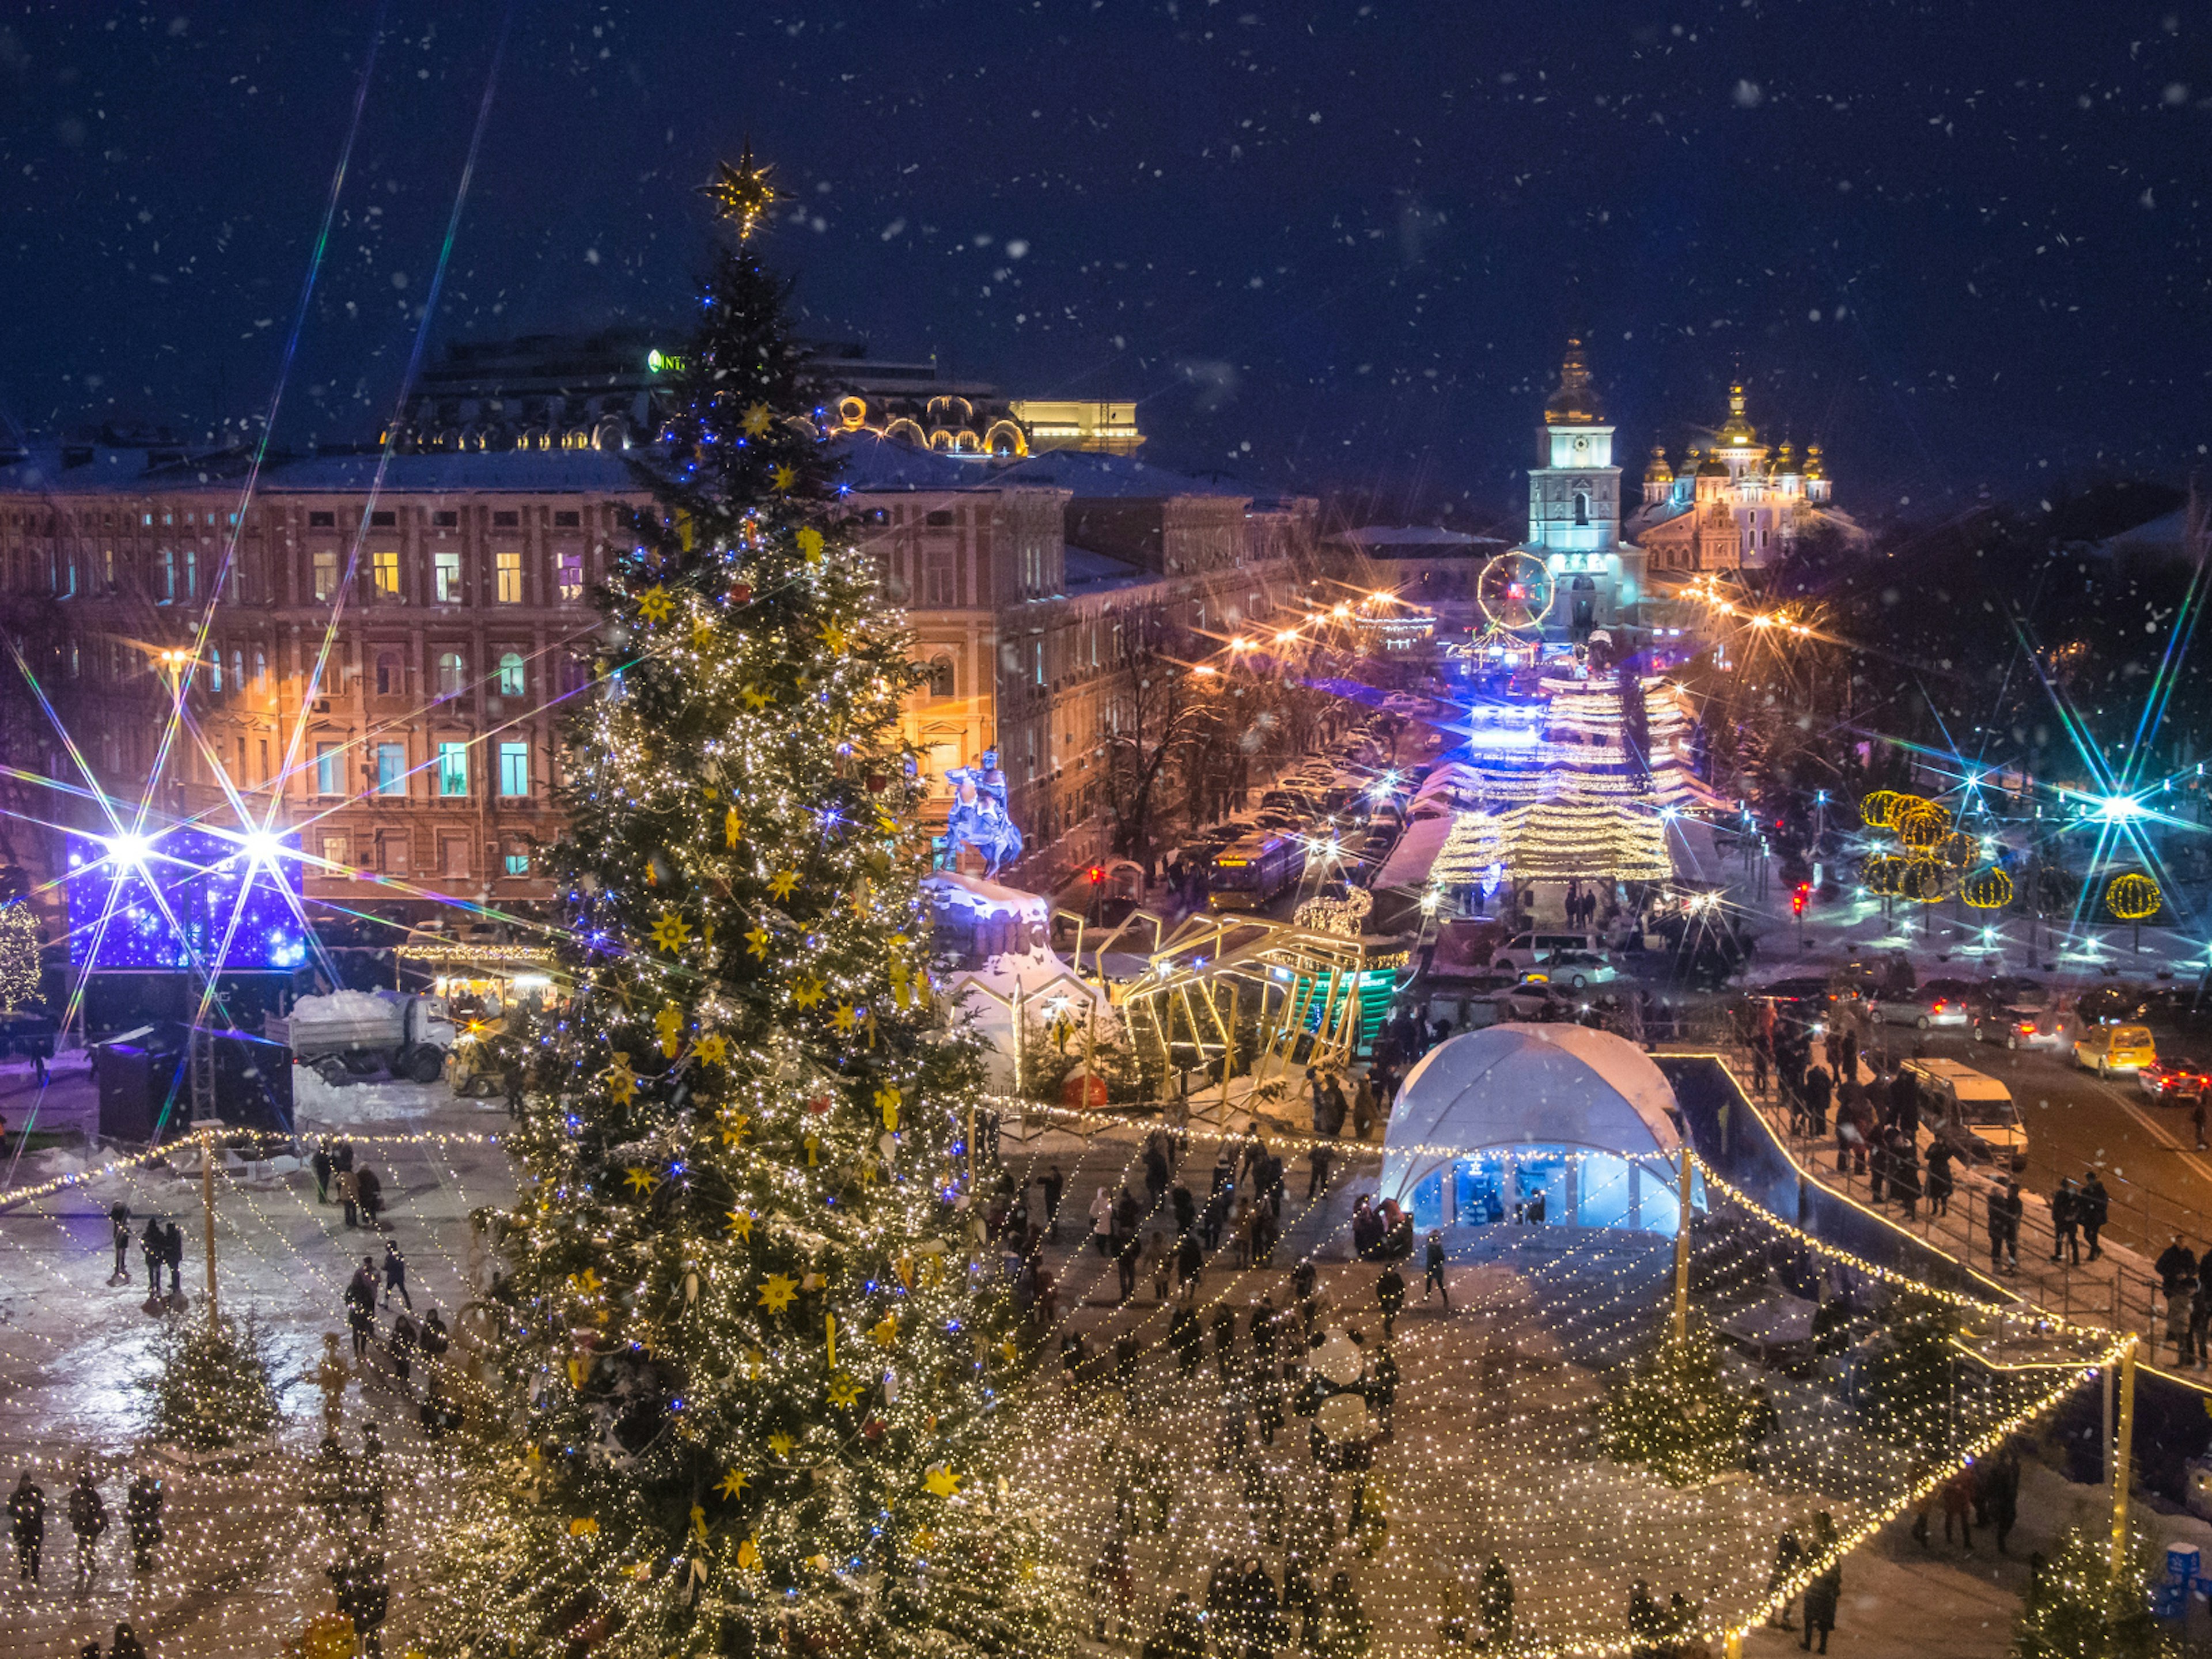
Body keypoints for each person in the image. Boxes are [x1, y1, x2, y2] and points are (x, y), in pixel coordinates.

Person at [1801, 1514, 1840, 1653]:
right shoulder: (1833, 1542)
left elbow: (1807, 1562)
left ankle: (1808, 1642)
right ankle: (1822, 1646)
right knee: (1824, 1616)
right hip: (1828, 1584)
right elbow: (1836, 1564)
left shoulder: (1816, 1543)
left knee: (1810, 1615)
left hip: (1816, 1584)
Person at [1314, 1569, 1372, 1659]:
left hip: (1349, 1629)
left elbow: (1360, 1613)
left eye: (1342, 1585)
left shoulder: (1352, 1598)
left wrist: (1360, 1625)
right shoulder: (1329, 1597)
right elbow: (1322, 1609)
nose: (1339, 1587)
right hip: (1333, 1630)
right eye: (1338, 1584)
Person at [67, 1466, 106, 1586]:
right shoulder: (91, 1494)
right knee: (89, 1545)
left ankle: (83, 1566)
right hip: (89, 1524)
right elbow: (99, 1508)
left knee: (83, 1545)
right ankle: (89, 1565)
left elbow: (72, 1510)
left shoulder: (76, 1494)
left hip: (82, 1524)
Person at [8, 1468, 43, 1582]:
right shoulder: (16, 1496)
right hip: (21, 1529)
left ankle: (35, 1575)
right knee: (23, 1553)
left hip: (34, 1528)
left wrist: (33, 1509)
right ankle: (24, 1572)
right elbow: (11, 1510)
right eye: (24, 1482)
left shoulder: (37, 1493)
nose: (25, 1484)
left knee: (35, 1554)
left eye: (27, 1481)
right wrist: (21, 1510)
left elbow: (42, 1507)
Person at [1766, 1525, 1804, 1629]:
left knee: (1775, 1593)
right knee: (1788, 1596)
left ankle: (1772, 1617)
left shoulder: (1784, 1539)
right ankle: (1785, 1620)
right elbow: (1800, 1554)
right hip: (1786, 1571)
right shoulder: (1791, 1541)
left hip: (1779, 1569)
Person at [124, 1470, 161, 1574]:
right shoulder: (149, 1494)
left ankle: (139, 1564)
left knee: (138, 1544)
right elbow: (157, 1504)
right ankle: (146, 1563)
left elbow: (131, 1504)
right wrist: (158, 1491)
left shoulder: (134, 1492)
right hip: (146, 1521)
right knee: (147, 1544)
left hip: (137, 1522)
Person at [2079, 1171, 2109, 1260]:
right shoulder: (2090, 1190)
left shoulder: (2100, 1191)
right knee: (2088, 1234)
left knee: (2092, 1234)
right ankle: (2096, 1249)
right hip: (2091, 1216)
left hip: (2096, 1216)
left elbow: (2102, 1203)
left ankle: (2093, 1254)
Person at [2050, 1179, 2079, 1265]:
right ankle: (2076, 1260)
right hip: (2071, 1222)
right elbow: (2077, 1208)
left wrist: (2056, 1218)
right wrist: (2073, 1217)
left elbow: (2056, 1208)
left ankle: (2058, 1255)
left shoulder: (2059, 1195)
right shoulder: (2074, 1195)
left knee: (2059, 1239)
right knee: (2073, 1240)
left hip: (2061, 1222)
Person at [1924, 1141, 1954, 1219]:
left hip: (1943, 1172)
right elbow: (1927, 1156)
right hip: (1934, 1170)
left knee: (1944, 1193)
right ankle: (1935, 1209)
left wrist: (1938, 1153)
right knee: (1934, 1193)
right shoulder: (1933, 1146)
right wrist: (1932, 1152)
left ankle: (1944, 1210)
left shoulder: (1945, 1147)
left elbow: (1948, 1155)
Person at [1376, 1263, 1406, 1339]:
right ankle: (1388, 1331)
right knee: (1389, 1316)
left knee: (1392, 1316)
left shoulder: (1397, 1278)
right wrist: (1383, 1297)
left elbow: (1401, 1288)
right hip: (1386, 1301)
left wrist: (1400, 1297)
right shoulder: (1383, 1278)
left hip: (1395, 1301)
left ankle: (1387, 1328)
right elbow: (1379, 1289)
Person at [1422, 1230, 1449, 1312]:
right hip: (1434, 1268)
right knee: (1433, 1283)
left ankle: (1444, 1299)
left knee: (1435, 1283)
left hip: (1434, 1268)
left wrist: (1435, 1264)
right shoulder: (1435, 1247)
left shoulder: (1434, 1247)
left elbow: (1440, 1257)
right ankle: (1444, 1299)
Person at [381, 1240, 412, 1311]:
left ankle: (385, 1304)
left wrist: (383, 1268)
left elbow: (388, 1267)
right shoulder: (400, 1254)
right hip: (400, 1276)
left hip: (392, 1276)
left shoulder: (389, 1256)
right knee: (403, 1290)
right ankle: (408, 1304)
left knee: (388, 1290)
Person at [1038, 1162, 1065, 1243]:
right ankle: (1053, 1232)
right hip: (1050, 1200)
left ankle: (1054, 1233)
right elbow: (1039, 1181)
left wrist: (1050, 1179)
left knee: (1053, 1217)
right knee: (1051, 1216)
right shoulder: (1051, 1179)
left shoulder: (1058, 1179)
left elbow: (1056, 1184)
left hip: (1054, 1200)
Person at [108, 1202, 132, 1285]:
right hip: (124, 1233)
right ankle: (121, 1265)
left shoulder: (118, 1214)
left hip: (119, 1234)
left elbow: (113, 1217)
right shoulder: (126, 1213)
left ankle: (119, 1265)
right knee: (122, 1250)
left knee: (119, 1250)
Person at [355, 1165, 384, 1229]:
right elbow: (377, 1184)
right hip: (372, 1194)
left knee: (364, 1209)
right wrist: (377, 1192)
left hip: (363, 1195)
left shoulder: (358, 1175)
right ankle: (373, 1220)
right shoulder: (372, 1175)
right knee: (372, 1209)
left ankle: (366, 1221)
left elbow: (357, 1185)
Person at [163, 1219, 184, 1300]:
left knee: (174, 1270)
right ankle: (175, 1284)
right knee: (174, 1270)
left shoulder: (171, 1235)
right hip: (175, 1256)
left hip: (172, 1256)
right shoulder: (176, 1235)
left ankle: (176, 1285)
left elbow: (169, 1245)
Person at [337, 1161, 360, 1229]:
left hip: (345, 1195)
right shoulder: (353, 1175)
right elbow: (358, 1183)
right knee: (353, 1209)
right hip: (353, 1194)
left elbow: (337, 1180)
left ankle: (348, 1221)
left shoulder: (342, 1175)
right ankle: (354, 1221)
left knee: (347, 1209)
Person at [312, 1139, 333, 1205]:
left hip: (323, 1170)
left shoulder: (321, 1150)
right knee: (323, 1185)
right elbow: (323, 1160)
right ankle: (322, 1199)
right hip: (323, 1170)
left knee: (323, 1185)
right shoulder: (322, 1151)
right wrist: (330, 1157)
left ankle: (323, 1198)